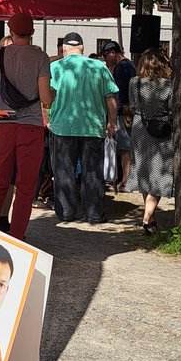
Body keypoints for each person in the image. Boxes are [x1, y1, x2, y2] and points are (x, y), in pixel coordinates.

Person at [0, 12, 53, 238]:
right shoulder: (41, 58)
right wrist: (53, 94)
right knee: (25, 187)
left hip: (4, 125)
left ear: (10, 31)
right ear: (32, 32)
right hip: (31, 127)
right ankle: (17, 235)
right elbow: (46, 98)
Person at [48, 32, 119, 225]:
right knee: (93, 173)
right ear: (82, 49)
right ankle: (94, 213)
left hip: (62, 126)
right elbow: (110, 98)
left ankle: (66, 212)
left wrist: (46, 116)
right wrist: (112, 122)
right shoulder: (99, 67)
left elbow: (47, 97)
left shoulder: (55, 67)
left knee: (63, 172)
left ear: (63, 49)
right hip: (93, 126)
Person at [125, 48, 174, 233]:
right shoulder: (168, 86)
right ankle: (147, 219)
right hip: (161, 132)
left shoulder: (134, 83)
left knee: (144, 173)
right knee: (160, 176)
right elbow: (171, 109)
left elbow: (133, 105)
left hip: (140, 129)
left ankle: (150, 220)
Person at [101, 40, 136, 191]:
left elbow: (119, 94)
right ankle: (124, 180)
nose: (106, 60)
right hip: (128, 112)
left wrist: (113, 116)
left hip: (123, 114)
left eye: (106, 56)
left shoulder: (122, 68)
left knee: (124, 149)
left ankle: (126, 181)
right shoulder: (130, 65)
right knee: (125, 149)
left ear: (113, 53)